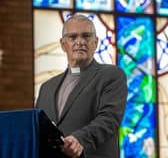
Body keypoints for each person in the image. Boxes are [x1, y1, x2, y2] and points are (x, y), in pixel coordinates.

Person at [36, 14, 128, 158]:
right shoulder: (47, 87)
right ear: (63, 44)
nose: (80, 42)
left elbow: (109, 119)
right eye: (72, 37)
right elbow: (38, 128)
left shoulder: (112, 75)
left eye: (86, 36)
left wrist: (80, 139)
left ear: (96, 42)